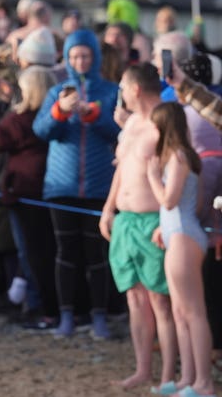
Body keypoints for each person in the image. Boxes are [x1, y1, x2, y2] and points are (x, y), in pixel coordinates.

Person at [32, 28, 121, 339]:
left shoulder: (111, 91)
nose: (79, 61)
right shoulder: (56, 91)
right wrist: (60, 112)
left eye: (84, 55)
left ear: (94, 57)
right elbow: (41, 130)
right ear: (66, 59)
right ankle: (66, 316)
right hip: (61, 184)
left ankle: (99, 317)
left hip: (98, 185)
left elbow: (119, 132)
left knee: (97, 255)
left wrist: (94, 115)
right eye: (73, 56)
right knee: (65, 252)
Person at [99, 63, 177, 390]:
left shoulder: (167, 121)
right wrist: (108, 208)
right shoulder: (130, 123)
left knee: (160, 300)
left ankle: (168, 375)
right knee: (134, 297)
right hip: (126, 219)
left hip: (153, 220)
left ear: (134, 89)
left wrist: (166, 221)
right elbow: (122, 169)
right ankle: (143, 369)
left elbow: (176, 173)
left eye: (123, 89)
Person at [0, 65, 59, 329]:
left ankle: (40, 308)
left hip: (26, 191)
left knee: (33, 254)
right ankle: (37, 304)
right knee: (37, 253)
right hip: (37, 190)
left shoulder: (25, 119)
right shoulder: (47, 117)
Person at [147, 101, 216, 397]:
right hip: (180, 231)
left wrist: (151, 176)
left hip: (184, 236)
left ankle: (204, 382)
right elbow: (193, 204)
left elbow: (169, 200)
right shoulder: (184, 156)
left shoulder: (177, 157)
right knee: (180, 311)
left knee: (193, 312)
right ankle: (189, 378)